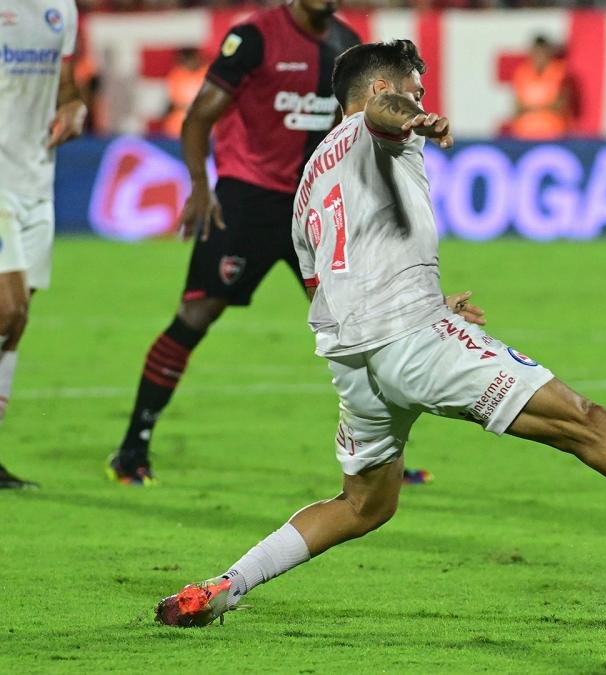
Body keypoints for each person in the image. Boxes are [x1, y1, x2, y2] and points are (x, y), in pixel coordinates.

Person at [153, 40, 606, 627]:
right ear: (384, 89)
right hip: (410, 342)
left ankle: (224, 586)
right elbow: (383, 115)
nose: (420, 95)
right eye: (414, 86)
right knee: (586, 423)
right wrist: (418, 116)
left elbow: (323, 283)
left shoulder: (310, 181)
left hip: (357, 363)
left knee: (364, 503)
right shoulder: (380, 123)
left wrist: (430, 302)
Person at [102, 0, 444, 486]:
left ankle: (380, 455)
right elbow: (199, 117)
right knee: (196, 316)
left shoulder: (348, 46)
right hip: (248, 201)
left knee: (361, 324)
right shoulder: (256, 37)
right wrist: (200, 185)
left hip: (314, 202)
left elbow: (357, 129)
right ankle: (132, 448)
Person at [0, 0, 87, 489]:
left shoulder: (61, 8)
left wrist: (74, 108)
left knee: (16, 324)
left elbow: (66, 86)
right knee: (6, 310)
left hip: (36, 181)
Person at [507, 35, 572, 140]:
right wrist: (546, 107)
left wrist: (530, 108)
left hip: (553, 134)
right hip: (525, 134)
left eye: (542, 52)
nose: (539, 56)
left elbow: (561, 106)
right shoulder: (521, 73)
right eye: (536, 52)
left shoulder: (560, 72)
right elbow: (517, 108)